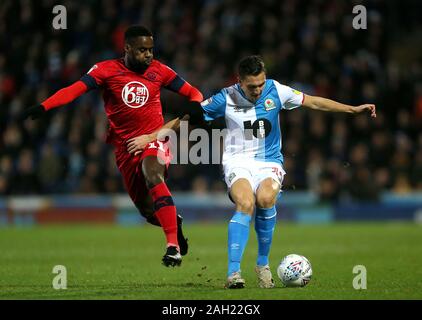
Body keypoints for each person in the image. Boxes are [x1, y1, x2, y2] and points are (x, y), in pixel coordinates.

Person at [20, 25, 204, 267]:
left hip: (154, 139)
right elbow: (75, 90)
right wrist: (44, 106)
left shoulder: (160, 71)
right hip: (125, 149)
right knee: (148, 212)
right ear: (127, 48)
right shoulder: (106, 70)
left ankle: (172, 247)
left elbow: (195, 94)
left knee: (153, 173)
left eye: (150, 49)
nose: (148, 55)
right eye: (142, 50)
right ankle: (175, 225)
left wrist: (192, 107)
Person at [197, 55, 376, 288]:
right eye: (252, 86)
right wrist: (153, 135)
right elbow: (191, 115)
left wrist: (351, 109)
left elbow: (313, 102)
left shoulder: (277, 90)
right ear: (239, 81)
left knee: (265, 198)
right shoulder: (225, 97)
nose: (258, 90)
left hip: (268, 161)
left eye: (261, 84)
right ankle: (234, 273)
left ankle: (262, 265)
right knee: (245, 203)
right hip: (237, 160)